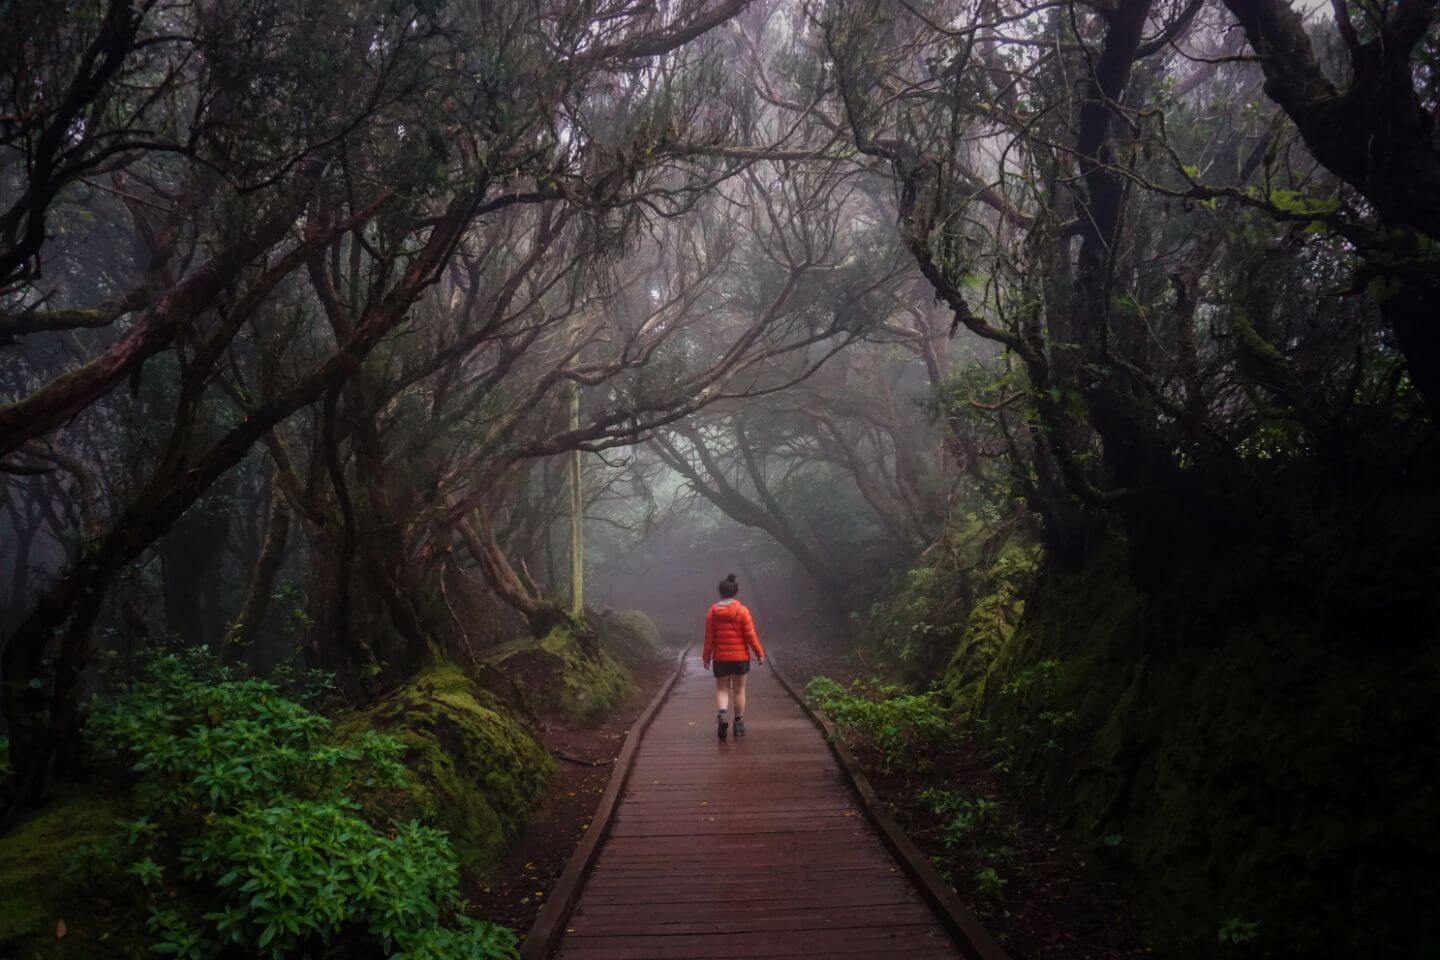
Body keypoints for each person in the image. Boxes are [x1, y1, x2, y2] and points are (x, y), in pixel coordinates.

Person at [701, 573, 765, 740]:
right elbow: (751, 635)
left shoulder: (712, 612)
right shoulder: (742, 611)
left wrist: (706, 656)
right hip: (740, 658)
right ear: (735, 591)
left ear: (720, 592)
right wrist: (759, 653)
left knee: (722, 690)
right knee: (739, 690)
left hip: (720, 658)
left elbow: (709, 638)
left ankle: (722, 714)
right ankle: (738, 725)